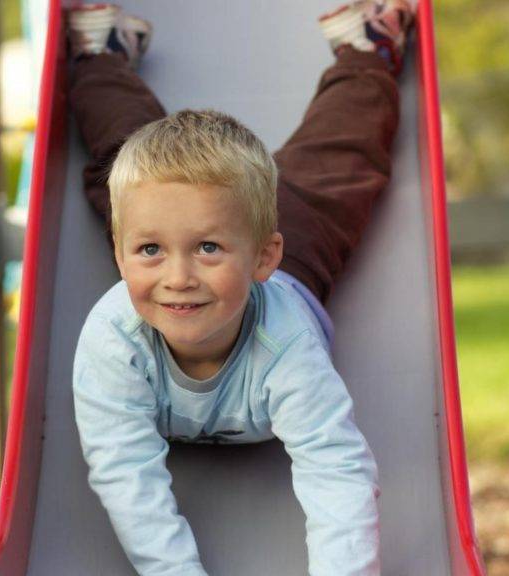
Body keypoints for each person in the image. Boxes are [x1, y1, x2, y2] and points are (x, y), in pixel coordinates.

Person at [69, 2, 413, 575]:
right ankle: (101, 58)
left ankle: (365, 51)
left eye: (207, 249)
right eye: (149, 251)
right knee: (121, 159)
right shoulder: (114, 341)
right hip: (186, 225)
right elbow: (124, 473)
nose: (178, 277)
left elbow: (335, 467)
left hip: (295, 248)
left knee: (339, 163)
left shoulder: (286, 342)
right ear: (119, 253)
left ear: (262, 257)